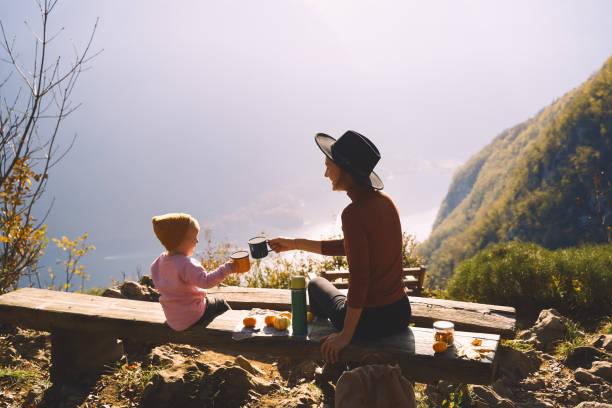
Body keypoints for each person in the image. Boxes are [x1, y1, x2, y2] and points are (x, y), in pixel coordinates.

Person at [269, 130, 411, 364]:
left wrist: (346, 334)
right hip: (399, 312)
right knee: (328, 290)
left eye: (328, 166)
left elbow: (361, 278)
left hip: (369, 321)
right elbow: (353, 247)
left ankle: (323, 346)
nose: (325, 173)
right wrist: (294, 244)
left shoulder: (353, 214)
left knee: (315, 284)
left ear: (346, 171)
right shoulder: (385, 202)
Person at [150, 213, 247, 331]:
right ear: (178, 240)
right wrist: (229, 268)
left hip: (173, 318)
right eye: (193, 237)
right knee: (220, 302)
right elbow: (206, 282)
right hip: (193, 316)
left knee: (208, 300)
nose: (197, 241)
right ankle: (233, 330)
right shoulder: (187, 264)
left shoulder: (157, 263)